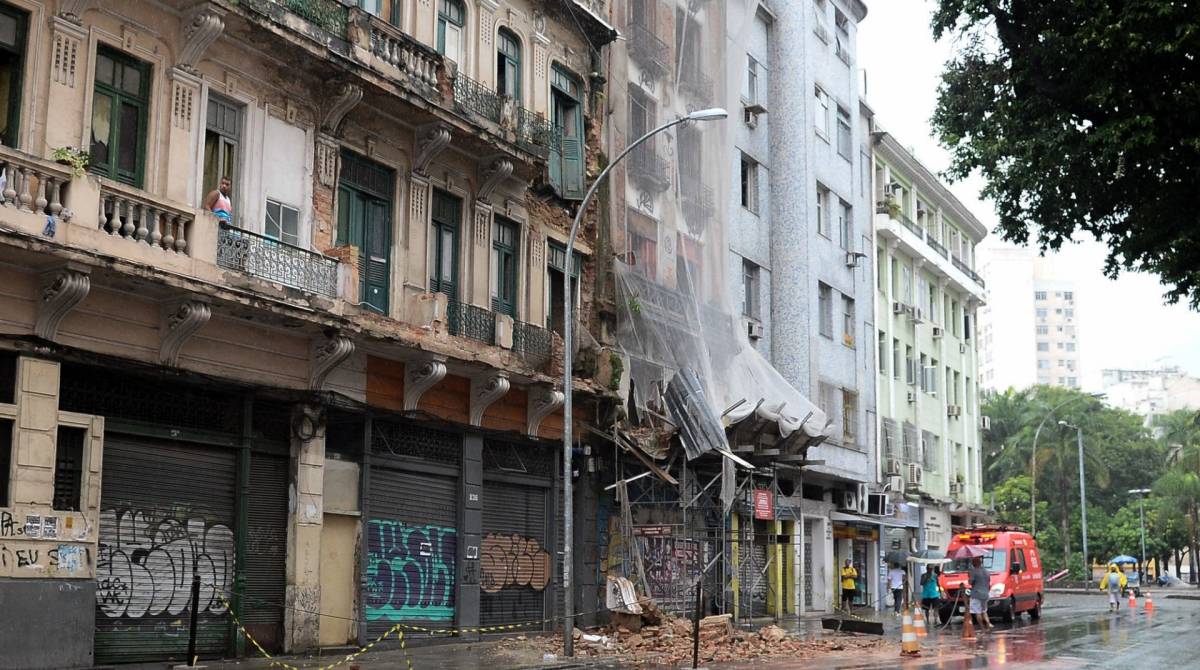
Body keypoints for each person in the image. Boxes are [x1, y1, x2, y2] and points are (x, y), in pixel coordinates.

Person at [967, 556, 992, 630]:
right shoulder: (986, 571)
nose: (972, 563)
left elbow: (971, 582)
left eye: (972, 562)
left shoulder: (974, 571)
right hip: (985, 594)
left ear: (975, 563)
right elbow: (988, 583)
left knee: (977, 612)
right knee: (984, 611)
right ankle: (987, 624)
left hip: (976, 594)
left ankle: (982, 628)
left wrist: (969, 576)